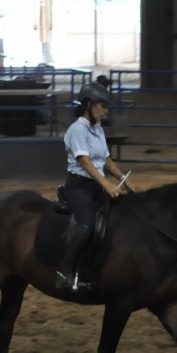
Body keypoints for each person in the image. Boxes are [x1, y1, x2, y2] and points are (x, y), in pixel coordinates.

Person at [55, 81, 133, 291]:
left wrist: (122, 178)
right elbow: (85, 161)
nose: (105, 111)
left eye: (106, 107)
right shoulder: (77, 130)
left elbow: (106, 159)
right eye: (102, 105)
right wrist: (106, 184)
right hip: (79, 186)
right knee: (86, 225)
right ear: (88, 104)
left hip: (97, 185)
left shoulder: (97, 129)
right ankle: (65, 272)